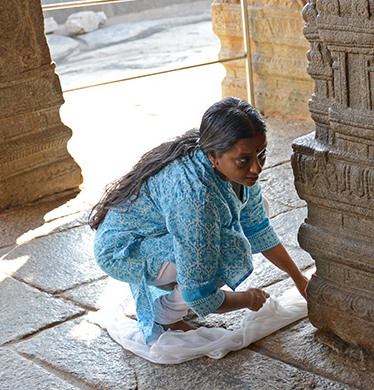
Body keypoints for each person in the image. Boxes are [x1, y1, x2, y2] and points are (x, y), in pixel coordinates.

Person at [90, 97, 309, 343]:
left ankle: (174, 287)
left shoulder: (233, 164)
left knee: (254, 211)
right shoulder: (197, 199)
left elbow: (257, 225)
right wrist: (248, 299)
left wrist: (298, 278)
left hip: (160, 234)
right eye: (245, 160)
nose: (257, 168)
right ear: (213, 156)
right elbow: (201, 292)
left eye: (262, 154)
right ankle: (166, 313)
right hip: (124, 250)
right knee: (223, 245)